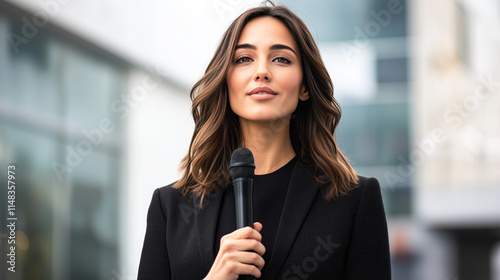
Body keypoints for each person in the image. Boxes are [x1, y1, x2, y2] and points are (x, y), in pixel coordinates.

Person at [138, 2, 391, 280]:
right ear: (225, 79)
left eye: (281, 59)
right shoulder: (171, 205)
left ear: (305, 87)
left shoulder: (353, 200)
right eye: (244, 59)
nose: (262, 71)